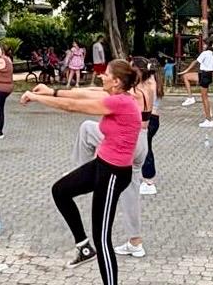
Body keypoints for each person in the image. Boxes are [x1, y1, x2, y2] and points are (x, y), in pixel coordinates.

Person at [21, 59, 143, 285]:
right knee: (60, 190)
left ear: (117, 81)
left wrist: (35, 96)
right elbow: (79, 93)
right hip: (101, 165)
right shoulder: (115, 95)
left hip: (113, 175)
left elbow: (72, 106)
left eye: (106, 74)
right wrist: (49, 90)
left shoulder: (120, 102)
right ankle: (83, 247)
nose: (102, 77)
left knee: (103, 238)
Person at [64, 56, 153, 260]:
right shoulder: (148, 89)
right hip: (143, 141)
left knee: (87, 128)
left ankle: (81, 170)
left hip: (128, 141)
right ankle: (135, 241)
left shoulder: (130, 95)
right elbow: (94, 92)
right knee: (131, 191)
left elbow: (97, 98)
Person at [179, 40, 213, 128]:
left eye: (204, 44)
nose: (203, 45)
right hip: (206, 74)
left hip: (204, 75)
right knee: (186, 77)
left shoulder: (205, 53)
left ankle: (209, 120)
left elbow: (195, 62)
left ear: (207, 45)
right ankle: (190, 98)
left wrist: (186, 70)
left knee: (204, 99)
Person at [140, 57, 163, 195]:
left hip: (149, 119)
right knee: (144, 146)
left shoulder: (149, 82)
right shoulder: (157, 81)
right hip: (155, 118)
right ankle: (143, 176)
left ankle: (149, 180)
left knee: (146, 148)